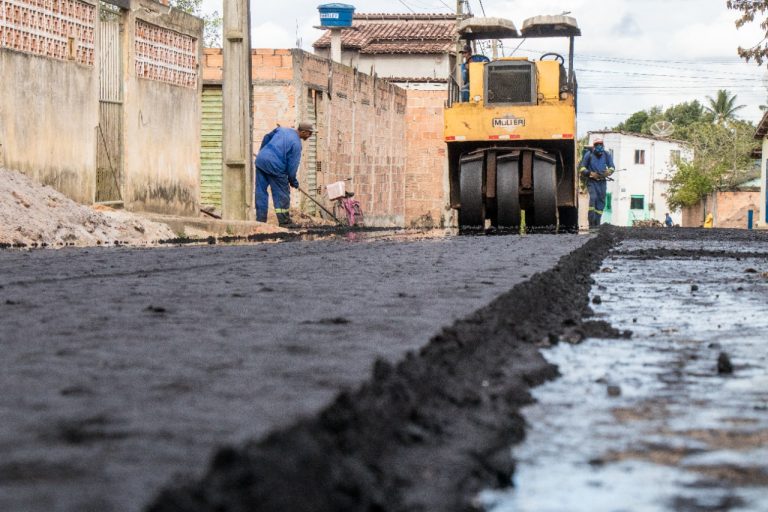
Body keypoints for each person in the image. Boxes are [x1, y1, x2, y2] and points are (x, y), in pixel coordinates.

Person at [255, 122, 313, 226]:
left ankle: (260, 221)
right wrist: (293, 181)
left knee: (261, 192)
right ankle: (285, 222)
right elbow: (292, 168)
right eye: (309, 133)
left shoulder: (282, 129)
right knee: (282, 193)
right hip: (275, 166)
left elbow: (266, 137)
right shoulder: (296, 145)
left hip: (261, 161)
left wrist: (262, 152)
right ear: (303, 132)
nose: (310, 136)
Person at [579, 138, 615, 228]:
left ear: (603, 145)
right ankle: (591, 223)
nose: (599, 146)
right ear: (594, 146)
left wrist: (607, 172)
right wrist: (590, 173)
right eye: (597, 144)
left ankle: (597, 224)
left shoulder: (607, 154)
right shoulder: (589, 154)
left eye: (601, 144)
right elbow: (582, 168)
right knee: (593, 198)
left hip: (602, 182)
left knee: (601, 202)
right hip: (592, 182)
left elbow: (612, 167)